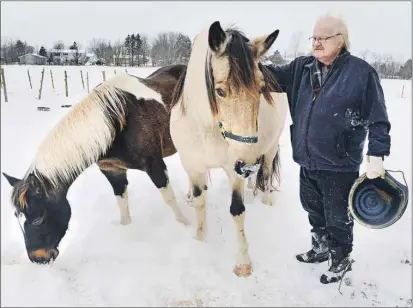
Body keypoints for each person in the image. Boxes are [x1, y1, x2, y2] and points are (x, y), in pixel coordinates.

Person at [265, 14, 391, 284]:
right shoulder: (302, 67)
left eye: (323, 38)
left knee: (337, 216)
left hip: (339, 162)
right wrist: (246, 57)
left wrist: (377, 155)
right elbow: (270, 76)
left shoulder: (360, 73)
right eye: (314, 38)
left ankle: (341, 257)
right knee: (312, 208)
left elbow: (378, 118)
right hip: (307, 158)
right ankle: (321, 247)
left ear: (341, 41)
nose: (317, 43)